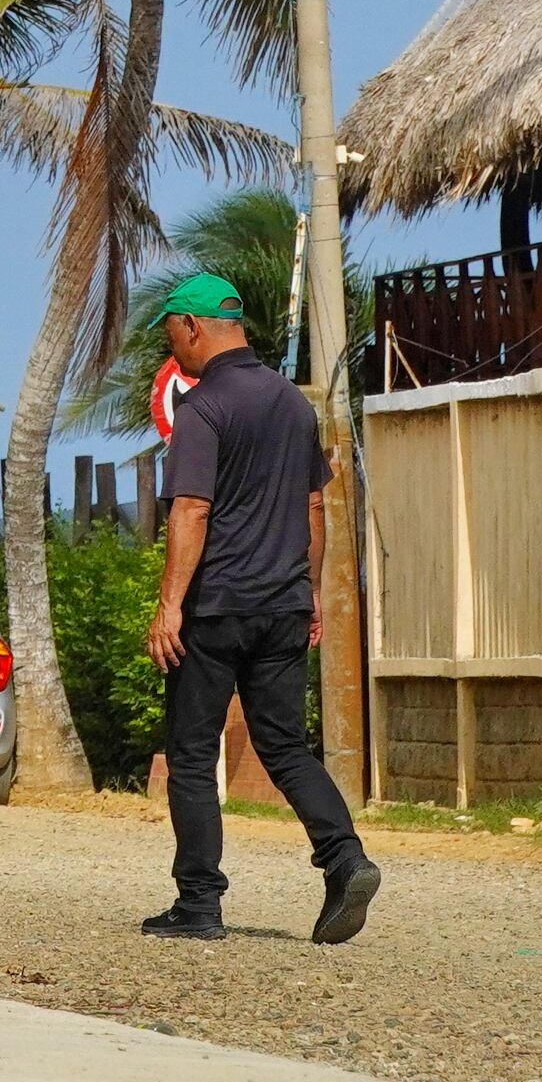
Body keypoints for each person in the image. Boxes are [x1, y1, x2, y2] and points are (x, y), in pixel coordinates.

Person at [137, 272, 378, 944]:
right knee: (286, 748)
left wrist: (170, 607)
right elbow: (313, 506)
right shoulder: (292, 403)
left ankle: (199, 903)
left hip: (216, 608)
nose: (172, 348)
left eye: (171, 334)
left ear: (192, 326)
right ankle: (345, 859)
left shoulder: (205, 408)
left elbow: (191, 510)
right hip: (282, 606)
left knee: (191, 754)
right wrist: (309, 592)